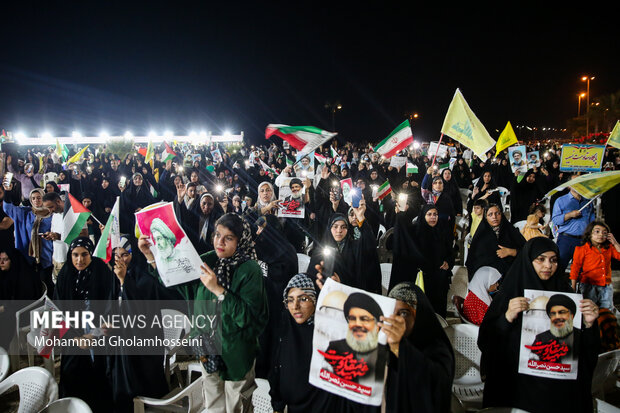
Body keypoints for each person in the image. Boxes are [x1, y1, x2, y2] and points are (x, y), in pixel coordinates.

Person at [139, 213, 267, 413]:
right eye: (217, 235)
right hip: (207, 349)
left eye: (229, 238)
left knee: (236, 406)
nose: (220, 242)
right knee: (213, 405)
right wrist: (150, 256)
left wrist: (218, 290)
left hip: (236, 355)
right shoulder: (209, 261)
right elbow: (177, 282)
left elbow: (250, 318)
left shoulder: (250, 270)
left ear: (241, 241)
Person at [478, 237, 600, 412]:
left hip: (557, 393)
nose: (548, 266)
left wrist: (589, 325)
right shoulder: (510, 294)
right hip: (518, 389)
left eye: (553, 260)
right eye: (540, 259)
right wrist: (507, 317)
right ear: (528, 261)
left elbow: (585, 349)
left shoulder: (566, 294)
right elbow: (486, 341)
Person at [54, 237, 115, 413]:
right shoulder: (65, 275)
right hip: (73, 339)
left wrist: (93, 335)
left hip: (99, 338)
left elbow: (111, 311)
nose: (79, 260)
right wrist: (75, 339)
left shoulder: (101, 272)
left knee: (100, 378)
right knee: (71, 374)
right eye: (75, 255)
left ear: (91, 254)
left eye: (84, 254)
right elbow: (58, 312)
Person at [382, 282, 455, 413]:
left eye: (404, 313)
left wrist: (400, 348)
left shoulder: (438, 348)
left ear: (419, 315)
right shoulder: (383, 345)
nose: (396, 320)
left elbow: (434, 386)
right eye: (391, 313)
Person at [269, 274, 335, 413]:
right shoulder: (285, 326)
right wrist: (277, 406)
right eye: (290, 300)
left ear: (315, 300)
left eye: (303, 299)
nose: (296, 307)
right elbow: (277, 369)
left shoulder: (327, 332)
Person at [390, 204, 454, 317]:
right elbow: (404, 236)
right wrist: (401, 215)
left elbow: (450, 253)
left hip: (439, 282)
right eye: (429, 214)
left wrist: (448, 262)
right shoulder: (416, 231)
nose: (433, 217)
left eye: (435, 214)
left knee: (437, 313)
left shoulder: (442, 232)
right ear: (423, 216)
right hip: (423, 280)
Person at [307, 203, 381, 294]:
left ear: (348, 229)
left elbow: (369, 246)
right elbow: (311, 279)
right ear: (329, 228)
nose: (339, 231)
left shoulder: (353, 247)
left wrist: (361, 218)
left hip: (349, 296)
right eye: (335, 227)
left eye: (343, 227)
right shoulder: (320, 251)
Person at [466, 204, 525, 280]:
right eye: (490, 214)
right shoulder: (481, 235)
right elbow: (473, 261)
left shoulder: (510, 231)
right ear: (485, 217)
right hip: (488, 278)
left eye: (497, 213)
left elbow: (527, 251)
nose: (494, 217)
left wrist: (511, 252)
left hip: (511, 276)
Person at [570, 221, 620, 310]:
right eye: (597, 231)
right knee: (589, 309)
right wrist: (573, 286)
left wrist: (615, 243)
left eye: (604, 233)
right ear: (589, 234)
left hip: (606, 285)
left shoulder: (609, 249)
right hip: (588, 285)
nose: (601, 235)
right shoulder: (582, 249)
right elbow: (575, 268)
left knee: (607, 309)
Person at [552, 182, 595, 270]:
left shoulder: (588, 201)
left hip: (583, 240)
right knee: (560, 267)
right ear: (569, 185)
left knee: (583, 270)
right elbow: (556, 220)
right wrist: (569, 215)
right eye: (575, 183)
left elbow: (592, 221)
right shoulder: (561, 200)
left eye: (580, 183)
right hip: (566, 240)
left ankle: (578, 284)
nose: (578, 185)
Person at [525, 294, 578, 364]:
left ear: (572, 315)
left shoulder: (580, 336)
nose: (557, 317)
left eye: (562, 312)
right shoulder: (541, 338)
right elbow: (533, 363)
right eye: (553, 314)